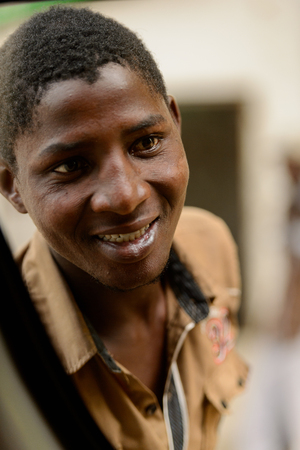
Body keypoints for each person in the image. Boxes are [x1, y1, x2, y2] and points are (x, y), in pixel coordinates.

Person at [0, 6, 248, 450]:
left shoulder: (211, 246)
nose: (126, 196)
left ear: (174, 121)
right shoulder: (16, 367)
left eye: (146, 143)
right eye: (71, 165)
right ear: (12, 186)